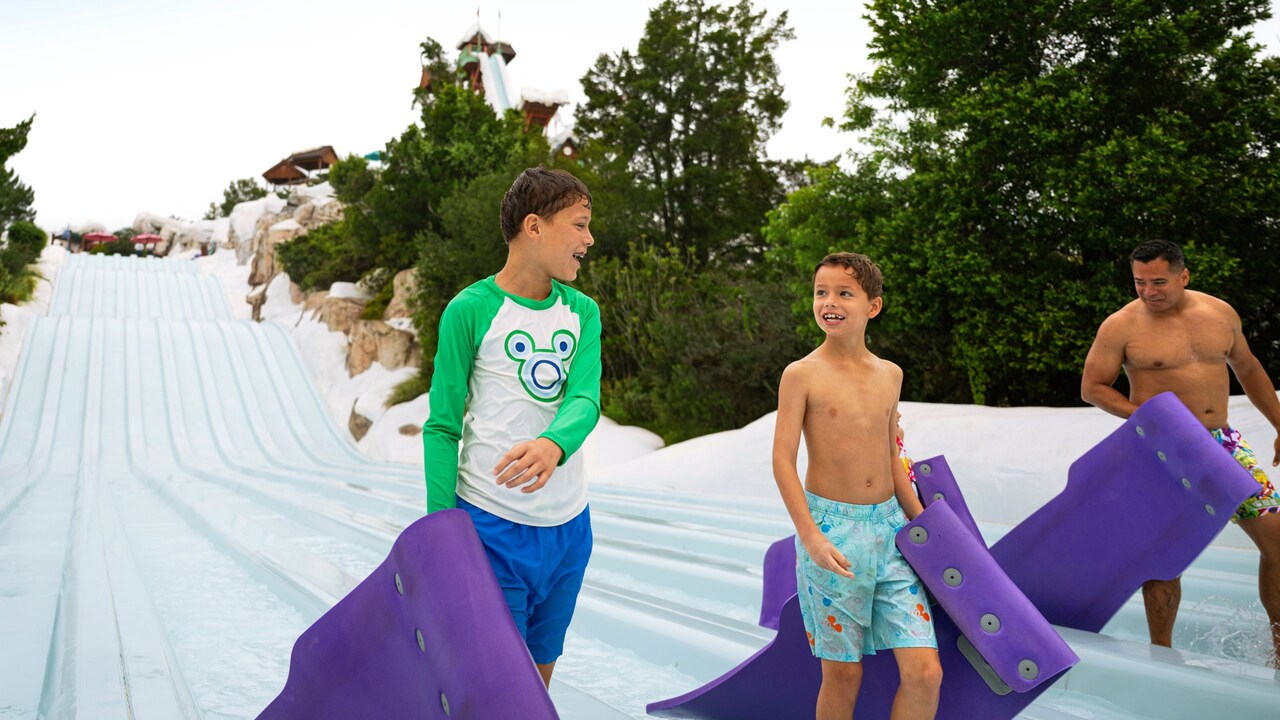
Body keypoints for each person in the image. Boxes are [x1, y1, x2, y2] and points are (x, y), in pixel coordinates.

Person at [422, 166, 601, 687]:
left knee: (538, 680)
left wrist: (553, 443)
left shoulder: (583, 313)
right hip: (491, 527)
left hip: (569, 529)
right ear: (534, 226)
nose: (589, 239)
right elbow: (442, 427)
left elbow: (585, 399)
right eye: (580, 225)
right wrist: (441, 530)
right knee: (500, 685)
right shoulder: (469, 310)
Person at [1082, 238, 1280, 664]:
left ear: (1183, 276)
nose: (1148, 292)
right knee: (1164, 555)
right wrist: (1150, 417)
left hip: (1223, 443)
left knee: (1277, 539)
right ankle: (1163, 656)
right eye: (1140, 282)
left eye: (1158, 282)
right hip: (1161, 449)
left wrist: (1279, 423)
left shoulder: (1219, 313)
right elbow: (1093, 387)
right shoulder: (1121, 326)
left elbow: (1249, 369)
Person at [773, 252, 942, 719]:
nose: (829, 302)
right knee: (843, 674)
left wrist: (925, 528)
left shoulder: (890, 374)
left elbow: (892, 456)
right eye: (821, 292)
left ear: (873, 306)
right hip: (833, 534)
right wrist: (811, 537)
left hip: (890, 531)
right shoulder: (802, 374)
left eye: (844, 293)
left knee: (926, 672)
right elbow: (782, 461)